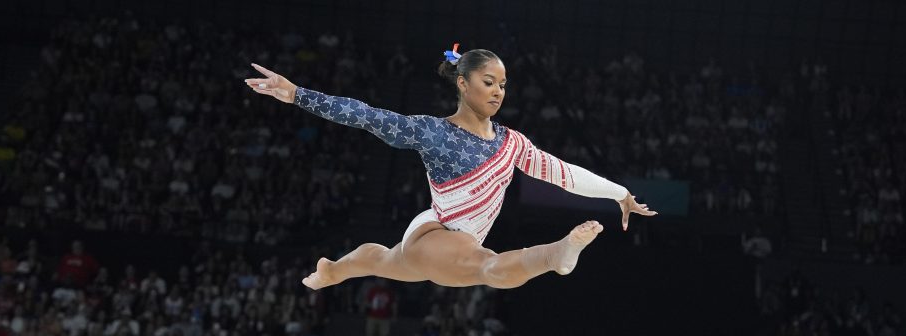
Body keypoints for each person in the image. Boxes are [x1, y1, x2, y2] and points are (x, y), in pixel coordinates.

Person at [245, 46, 655, 290]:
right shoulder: (433, 132)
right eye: (489, 82)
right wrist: (298, 94)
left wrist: (619, 193)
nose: (498, 92)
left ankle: (332, 271)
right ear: (463, 83)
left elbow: (564, 173)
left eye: (503, 84)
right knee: (489, 267)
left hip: (439, 235)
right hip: (444, 235)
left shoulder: (512, 143)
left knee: (382, 261)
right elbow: (366, 115)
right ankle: (557, 255)